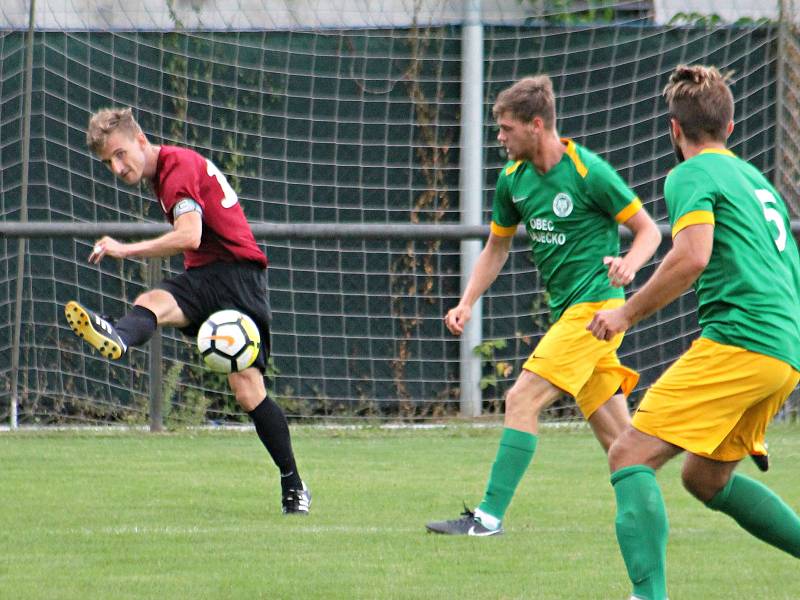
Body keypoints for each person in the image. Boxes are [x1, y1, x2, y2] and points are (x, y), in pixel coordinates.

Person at [587, 64, 800, 599]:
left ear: (674, 130)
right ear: (730, 128)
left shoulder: (689, 175)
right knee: (704, 478)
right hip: (784, 347)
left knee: (628, 454)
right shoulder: (755, 181)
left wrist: (625, 313)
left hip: (741, 340)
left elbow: (692, 256)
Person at [426, 75, 661, 536]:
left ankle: (488, 518)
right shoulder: (512, 181)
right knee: (622, 445)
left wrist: (630, 264)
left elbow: (648, 230)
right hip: (571, 315)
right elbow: (496, 248)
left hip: (596, 310)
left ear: (536, 125)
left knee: (521, 398)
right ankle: (655, 517)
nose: (499, 137)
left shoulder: (588, 171)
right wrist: (467, 301)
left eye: (506, 128)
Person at [65, 107, 310, 515]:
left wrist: (126, 248)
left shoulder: (177, 168)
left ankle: (294, 483)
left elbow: (190, 235)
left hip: (236, 277)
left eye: (121, 154)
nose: (117, 167)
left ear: (141, 140)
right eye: (109, 161)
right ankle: (119, 337)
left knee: (248, 391)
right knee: (151, 304)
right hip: (206, 276)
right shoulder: (165, 172)